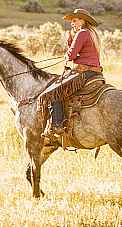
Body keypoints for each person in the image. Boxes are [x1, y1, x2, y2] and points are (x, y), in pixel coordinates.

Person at [43, 8, 104, 138]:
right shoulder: (92, 34)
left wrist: (68, 42)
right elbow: (78, 53)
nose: (72, 23)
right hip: (96, 74)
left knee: (54, 92)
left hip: (83, 73)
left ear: (82, 21)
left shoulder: (82, 33)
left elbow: (71, 56)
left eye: (74, 20)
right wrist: (71, 41)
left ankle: (57, 125)